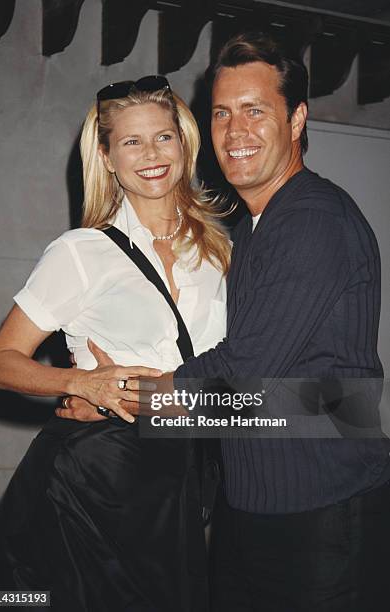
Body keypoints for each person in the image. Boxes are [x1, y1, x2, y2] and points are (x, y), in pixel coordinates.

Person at [65, 33, 390, 611]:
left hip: (323, 510)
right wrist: (105, 391)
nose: (235, 131)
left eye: (255, 110)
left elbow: (248, 374)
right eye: (221, 113)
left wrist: (129, 399)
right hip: (253, 506)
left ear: (296, 120)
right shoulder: (248, 229)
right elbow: (269, 401)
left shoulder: (314, 219)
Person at [0, 75, 231, 611]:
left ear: (185, 143)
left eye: (163, 137)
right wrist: (80, 381)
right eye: (131, 142)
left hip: (181, 474)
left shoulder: (221, 250)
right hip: (93, 474)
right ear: (107, 157)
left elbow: (230, 375)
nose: (151, 155)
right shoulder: (82, 251)